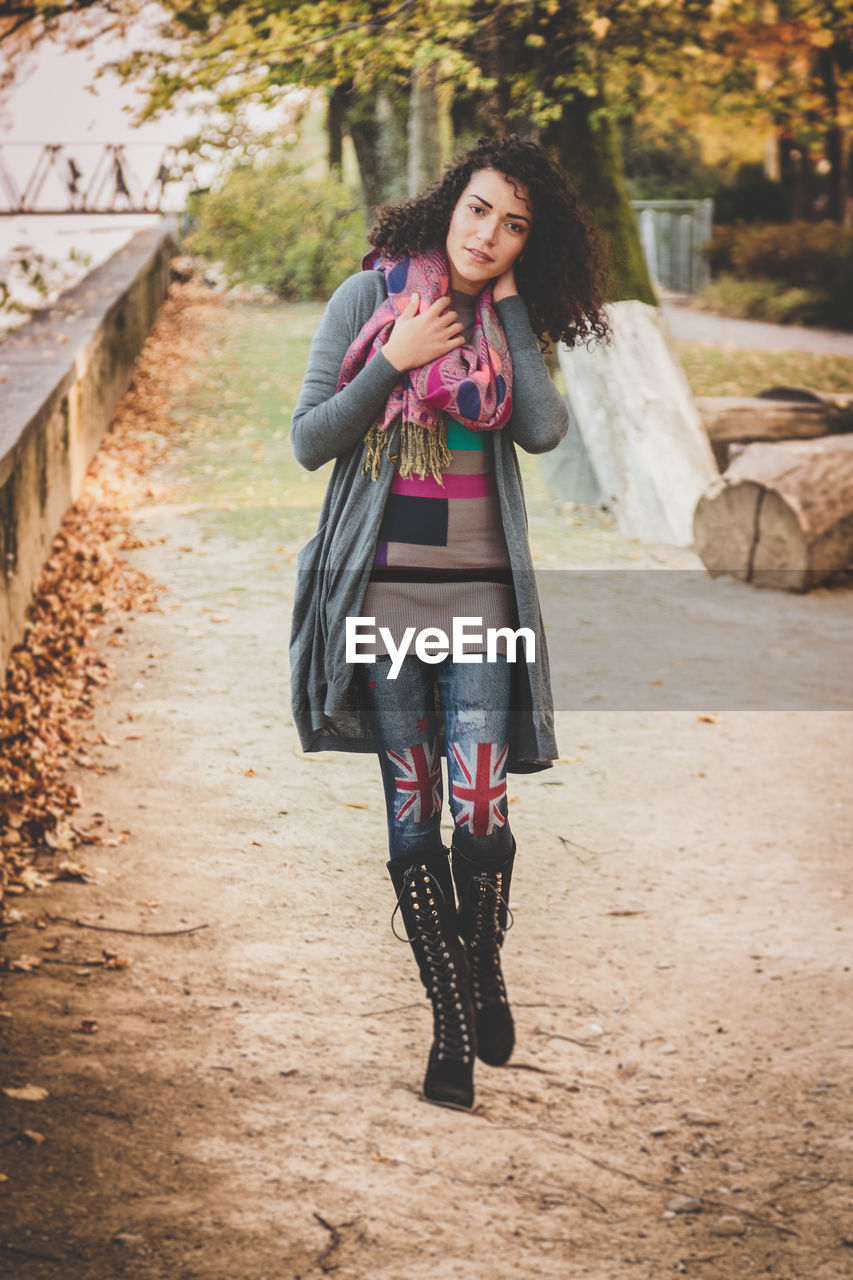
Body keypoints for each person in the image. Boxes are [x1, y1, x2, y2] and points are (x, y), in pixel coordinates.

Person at [290, 134, 610, 1111]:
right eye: (479, 210)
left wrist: (506, 305)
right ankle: (450, 1028)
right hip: (385, 605)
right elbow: (308, 438)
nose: (489, 234)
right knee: (409, 815)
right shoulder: (374, 298)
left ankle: (483, 964)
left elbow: (544, 427)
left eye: (515, 225)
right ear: (447, 203)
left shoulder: (504, 322)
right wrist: (392, 360)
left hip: (479, 605)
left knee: (480, 810)